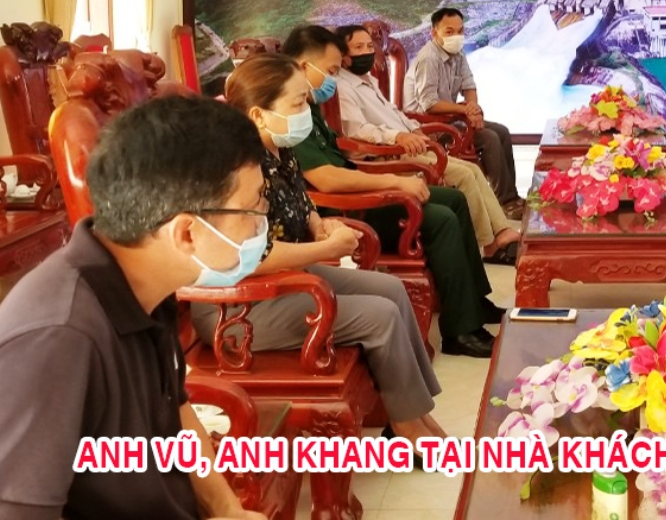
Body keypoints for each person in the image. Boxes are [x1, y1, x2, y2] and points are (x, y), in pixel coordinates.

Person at [0, 96, 268, 519]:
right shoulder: (59, 337)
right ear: (186, 234)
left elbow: (174, 408)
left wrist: (228, 509)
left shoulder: (145, 283)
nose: (261, 222)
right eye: (254, 206)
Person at [191, 55, 457, 452]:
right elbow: (248, 255)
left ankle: (409, 410)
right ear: (259, 114)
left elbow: (304, 204)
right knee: (379, 316)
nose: (308, 110)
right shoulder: (236, 167)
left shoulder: (279, 148)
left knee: (391, 290)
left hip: (285, 279)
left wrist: (320, 226)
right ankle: (406, 425)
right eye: (298, 102)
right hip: (238, 307)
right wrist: (326, 248)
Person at [279, 26, 504, 354]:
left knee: (454, 199)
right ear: (303, 67)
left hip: (352, 191)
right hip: (343, 209)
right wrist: (395, 181)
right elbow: (327, 179)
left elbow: (341, 161)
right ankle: (461, 332)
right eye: (331, 71)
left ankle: (472, 301)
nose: (334, 80)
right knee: (440, 219)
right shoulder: (288, 113)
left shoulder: (308, 106)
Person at [332, 24, 520, 264]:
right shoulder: (342, 87)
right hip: (388, 155)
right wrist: (397, 137)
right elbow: (357, 130)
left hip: (407, 146)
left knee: (471, 169)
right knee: (463, 175)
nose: (367, 52)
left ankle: (501, 232)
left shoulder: (367, 80)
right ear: (343, 55)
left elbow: (394, 113)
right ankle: (488, 243)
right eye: (358, 47)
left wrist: (414, 129)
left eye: (370, 46)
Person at [404, 7, 525, 219]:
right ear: (434, 33)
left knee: (502, 131)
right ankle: (504, 203)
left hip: (450, 119)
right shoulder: (428, 58)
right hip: (427, 127)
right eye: (449, 32)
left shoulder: (457, 54)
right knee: (488, 138)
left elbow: (469, 86)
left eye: (460, 31)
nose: (456, 36)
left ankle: (510, 197)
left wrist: (473, 111)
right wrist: (464, 110)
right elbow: (429, 104)